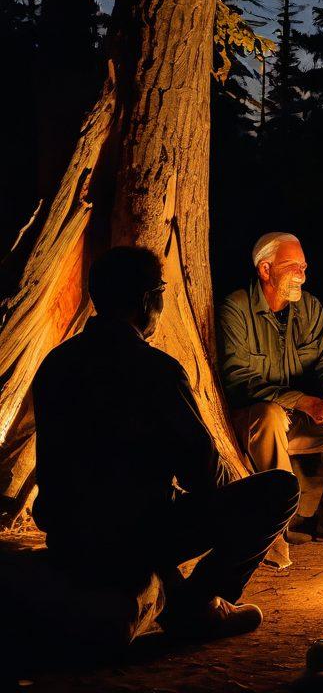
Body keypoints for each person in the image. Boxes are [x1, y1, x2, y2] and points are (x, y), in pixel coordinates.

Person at [32, 246, 298, 641]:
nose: (162, 299)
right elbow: (202, 473)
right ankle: (201, 603)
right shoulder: (155, 370)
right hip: (135, 533)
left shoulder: (56, 363)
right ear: (145, 299)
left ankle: (179, 594)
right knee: (280, 490)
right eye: (161, 289)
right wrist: (233, 497)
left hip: (69, 532)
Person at [217, 232, 323, 547]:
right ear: (265, 270)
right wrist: (305, 402)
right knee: (270, 415)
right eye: (292, 265)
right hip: (255, 422)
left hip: (302, 415)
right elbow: (238, 379)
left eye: (304, 266)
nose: (302, 275)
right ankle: (281, 516)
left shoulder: (309, 308)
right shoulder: (235, 308)